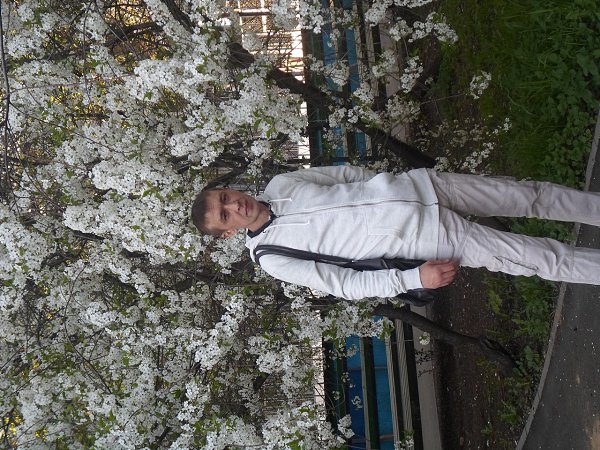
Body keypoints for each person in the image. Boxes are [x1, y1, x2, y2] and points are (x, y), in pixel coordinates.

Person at [191, 165, 600, 300]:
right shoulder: (273, 257)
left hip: (426, 186)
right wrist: (413, 277)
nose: (235, 206)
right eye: (225, 215)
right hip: (431, 238)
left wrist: (386, 184)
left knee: (530, 196)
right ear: (227, 234)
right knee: (543, 259)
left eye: (226, 197)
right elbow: (345, 284)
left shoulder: (282, 184)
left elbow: (344, 175)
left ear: (229, 189)